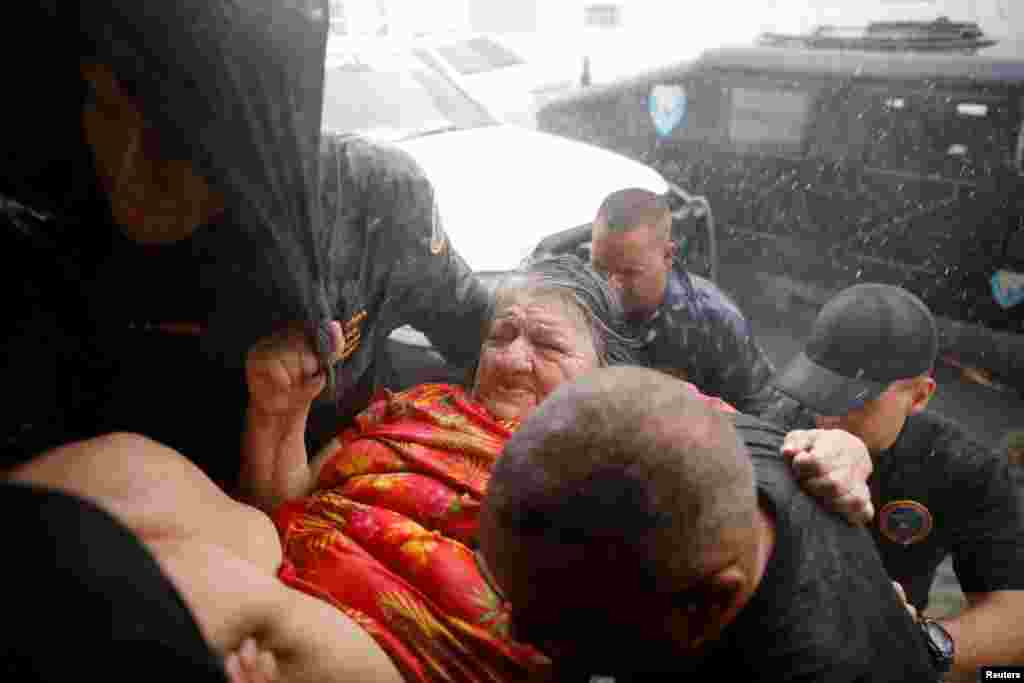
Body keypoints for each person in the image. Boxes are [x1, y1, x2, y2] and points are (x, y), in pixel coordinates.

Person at [7, 256, 874, 682]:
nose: (512, 355)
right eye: (501, 334)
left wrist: (847, 451)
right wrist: (281, 412)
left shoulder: (629, 429)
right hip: (289, 546)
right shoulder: (415, 406)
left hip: (413, 643)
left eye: (546, 343)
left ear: (604, 371)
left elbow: (776, 445)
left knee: (184, 588)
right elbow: (285, 505)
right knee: (126, 468)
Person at [0, 1, 489, 493]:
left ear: (265, 114)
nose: (132, 170)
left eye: (176, 127)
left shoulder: (371, 203)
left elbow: (479, 333)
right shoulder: (38, 230)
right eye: (106, 107)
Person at [477, 366, 939, 682]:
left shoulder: (802, 663)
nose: (515, 631)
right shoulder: (747, 449)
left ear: (711, 601)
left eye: (558, 623)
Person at [768, 282, 1024, 680]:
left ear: (919, 396)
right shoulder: (774, 432)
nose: (828, 418)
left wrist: (916, 644)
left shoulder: (964, 468)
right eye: (818, 392)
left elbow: (1014, 617)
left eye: (854, 399)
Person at [588, 188, 776, 415]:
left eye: (629, 272)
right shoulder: (580, 301)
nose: (610, 285)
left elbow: (759, 412)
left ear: (667, 256)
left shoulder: (713, 319)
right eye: (600, 268)